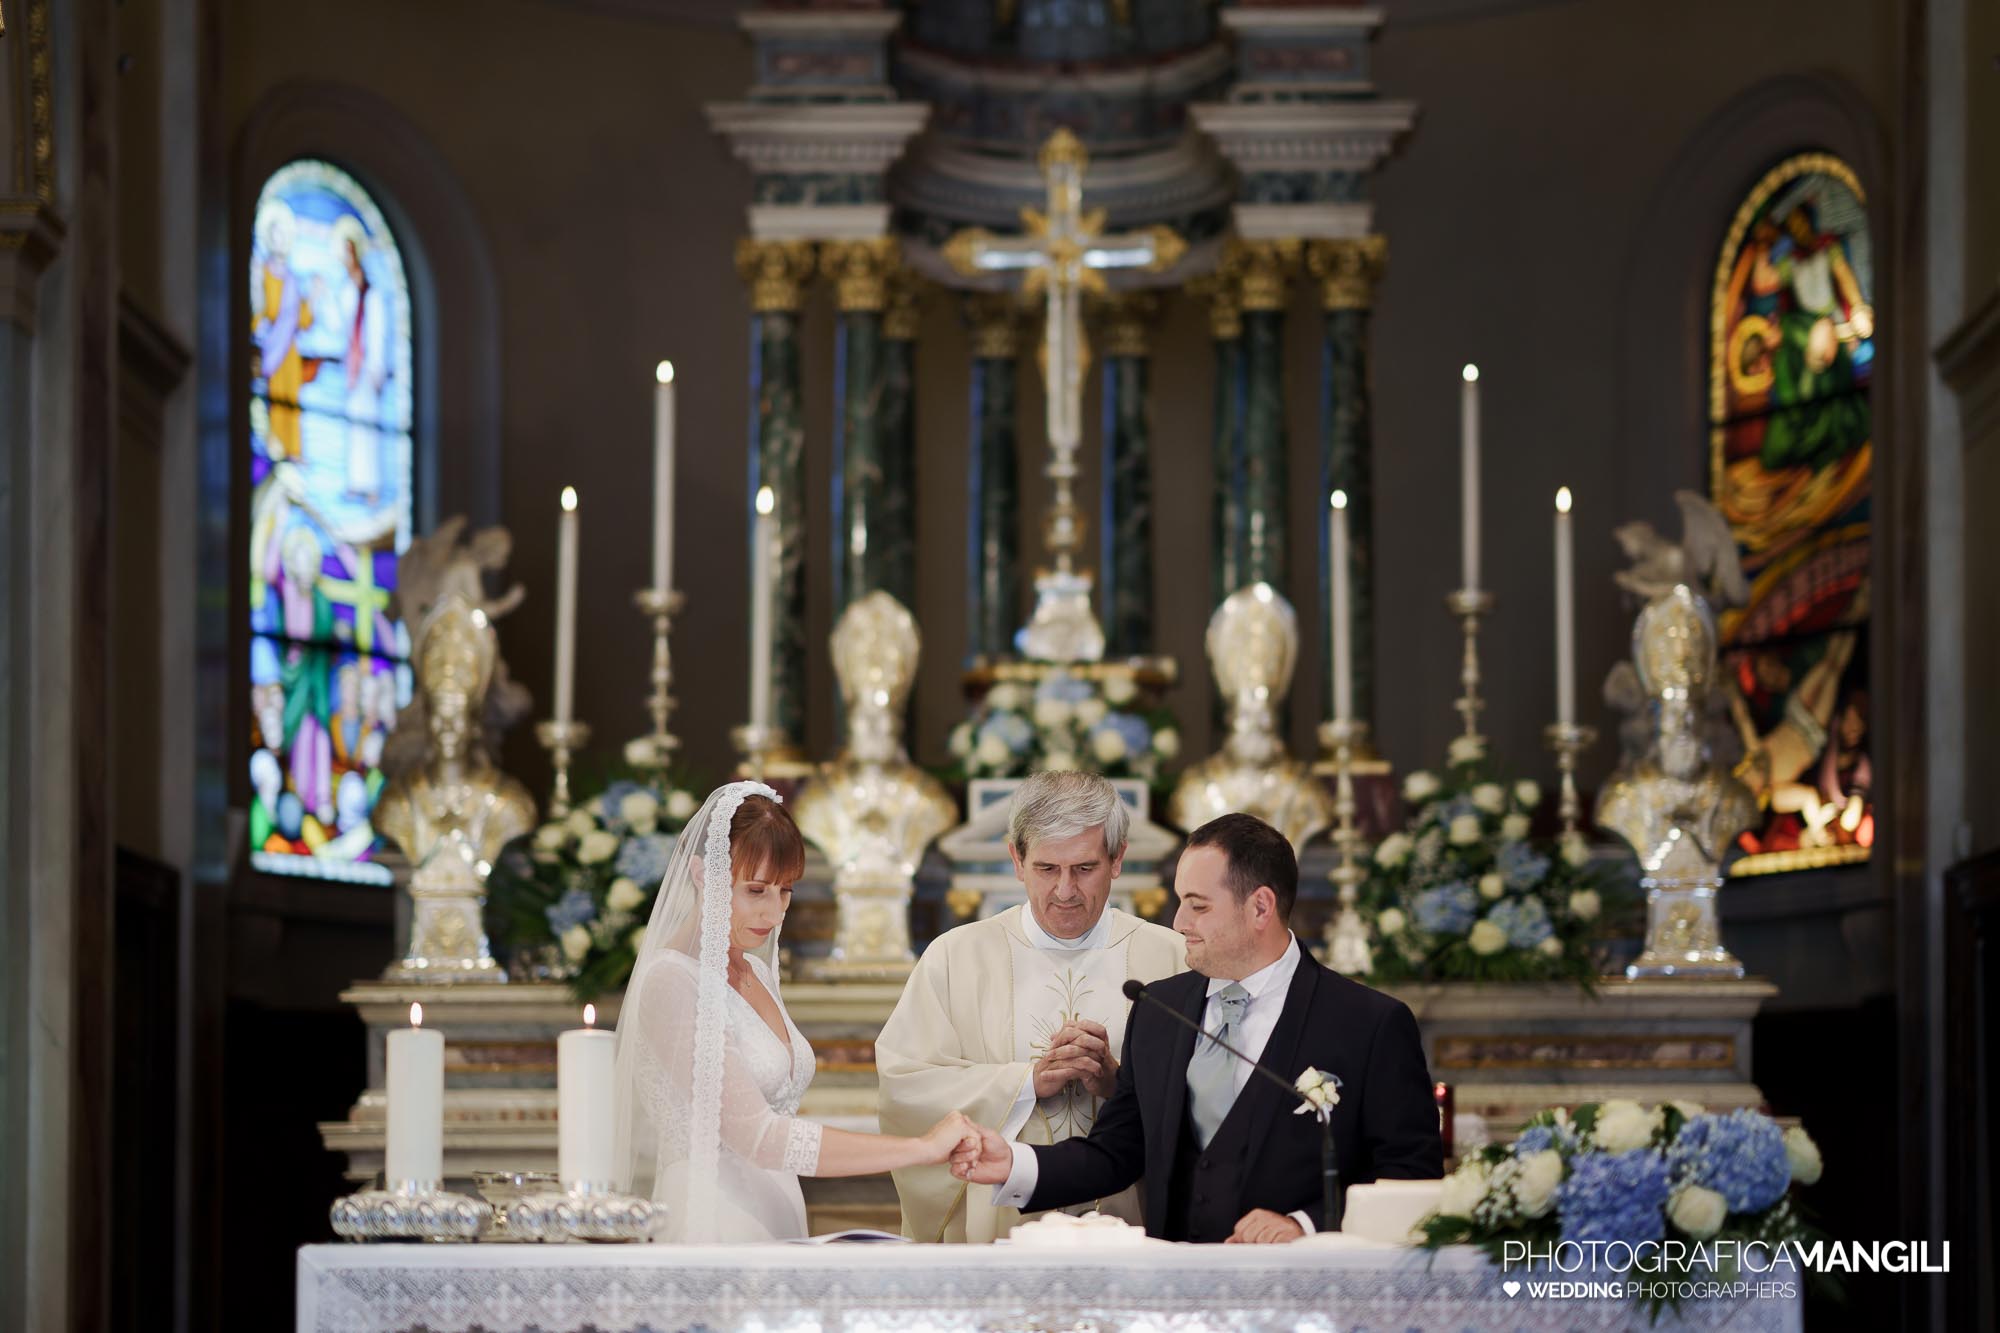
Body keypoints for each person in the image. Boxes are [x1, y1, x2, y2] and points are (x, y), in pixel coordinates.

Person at [951, 811, 1442, 1243]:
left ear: (1260, 907)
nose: (1179, 920)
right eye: (1180, 901)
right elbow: (1116, 1152)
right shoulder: (1160, 1007)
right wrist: (1014, 1164)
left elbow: (1408, 1176)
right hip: (1176, 1296)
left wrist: (1305, 1224)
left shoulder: (1370, 1024)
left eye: (1199, 905)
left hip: (1307, 1292)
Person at [613, 781, 980, 1242]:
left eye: (784, 891)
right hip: (714, 1218)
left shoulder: (756, 973)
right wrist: (919, 1148)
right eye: (755, 889)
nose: (772, 911)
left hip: (776, 1211)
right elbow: (758, 1137)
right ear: (703, 875)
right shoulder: (671, 981)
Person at [876, 771, 1185, 1242]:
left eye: (1084, 868)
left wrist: (1116, 1083)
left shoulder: (1170, 956)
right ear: (1016, 859)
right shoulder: (956, 956)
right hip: (999, 1232)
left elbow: (1213, 1102)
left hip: (1131, 1231)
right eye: (1046, 869)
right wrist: (1025, 1082)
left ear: (1118, 859)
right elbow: (904, 1088)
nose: (1065, 891)